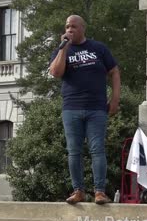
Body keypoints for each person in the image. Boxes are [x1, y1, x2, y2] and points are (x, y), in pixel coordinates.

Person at [49, 15, 121, 205]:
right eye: (66, 26)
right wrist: (64, 48)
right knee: (74, 151)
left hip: (96, 108)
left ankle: (99, 192)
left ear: (82, 28)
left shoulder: (98, 48)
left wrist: (115, 98)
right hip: (71, 108)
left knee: (97, 150)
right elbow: (56, 73)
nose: (69, 29)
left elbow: (114, 71)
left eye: (73, 26)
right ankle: (78, 191)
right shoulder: (62, 49)